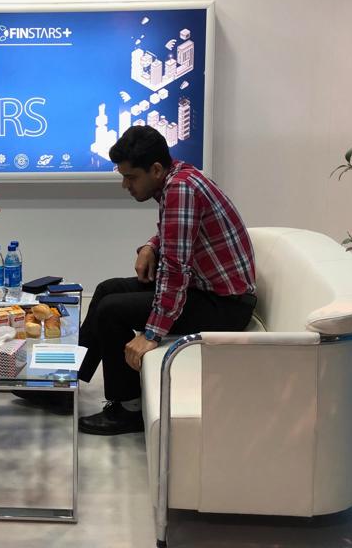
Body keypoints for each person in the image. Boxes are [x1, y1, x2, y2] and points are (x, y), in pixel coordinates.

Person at [76, 126, 257, 435]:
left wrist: (152, 333)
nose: (125, 185)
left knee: (111, 310)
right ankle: (67, 382)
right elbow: (176, 234)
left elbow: (175, 270)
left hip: (225, 305)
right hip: (205, 290)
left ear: (156, 169)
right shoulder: (179, 176)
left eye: (131, 177)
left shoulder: (180, 189)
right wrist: (151, 245)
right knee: (107, 289)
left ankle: (130, 409)